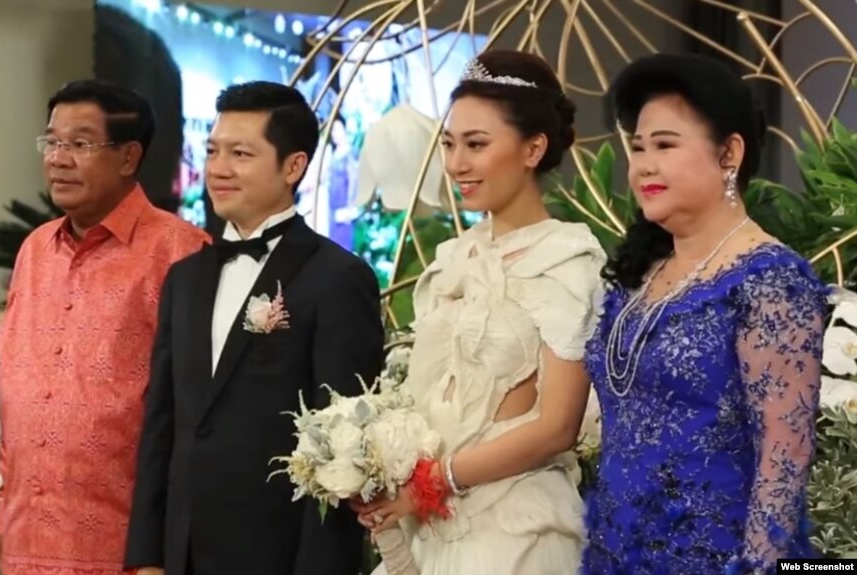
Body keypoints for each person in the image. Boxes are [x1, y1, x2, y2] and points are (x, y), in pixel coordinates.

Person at [353, 50, 606, 574]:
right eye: (449, 144)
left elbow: (557, 427)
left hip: (514, 525)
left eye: (476, 145)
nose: (456, 164)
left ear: (533, 147)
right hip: (428, 522)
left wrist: (435, 479)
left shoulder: (566, 261)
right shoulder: (456, 257)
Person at [124, 81, 384, 575]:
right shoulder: (184, 278)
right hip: (181, 553)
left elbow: (343, 452)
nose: (218, 169)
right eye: (213, 151)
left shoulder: (337, 279)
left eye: (241, 153)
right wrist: (147, 556)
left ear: (293, 166)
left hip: (276, 554)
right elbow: (162, 426)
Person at [581, 53, 827, 574]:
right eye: (637, 147)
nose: (644, 164)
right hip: (614, 553)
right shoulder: (642, 272)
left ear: (728, 154)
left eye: (665, 145)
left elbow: (782, 467)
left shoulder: (770, 280)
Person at [0, 79, 209, 575]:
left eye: (80, 143)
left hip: (129, 552)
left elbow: (195, 417)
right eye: (52, 141)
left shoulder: (182, 252)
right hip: (25, 539)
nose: (58, 158)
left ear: (129, 157)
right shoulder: (33, 251)